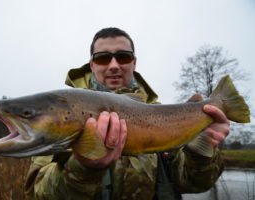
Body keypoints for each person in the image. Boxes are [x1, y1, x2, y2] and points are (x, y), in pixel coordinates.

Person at [25, 27, 229, 200]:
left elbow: (193, 184)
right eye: (103, 58)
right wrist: (83, 168)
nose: (114, 65)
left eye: (123, 56)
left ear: (134, 62)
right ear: (92, 64)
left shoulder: (167, 118)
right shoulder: (63, 114)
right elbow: (36, 193)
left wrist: (202, 150)